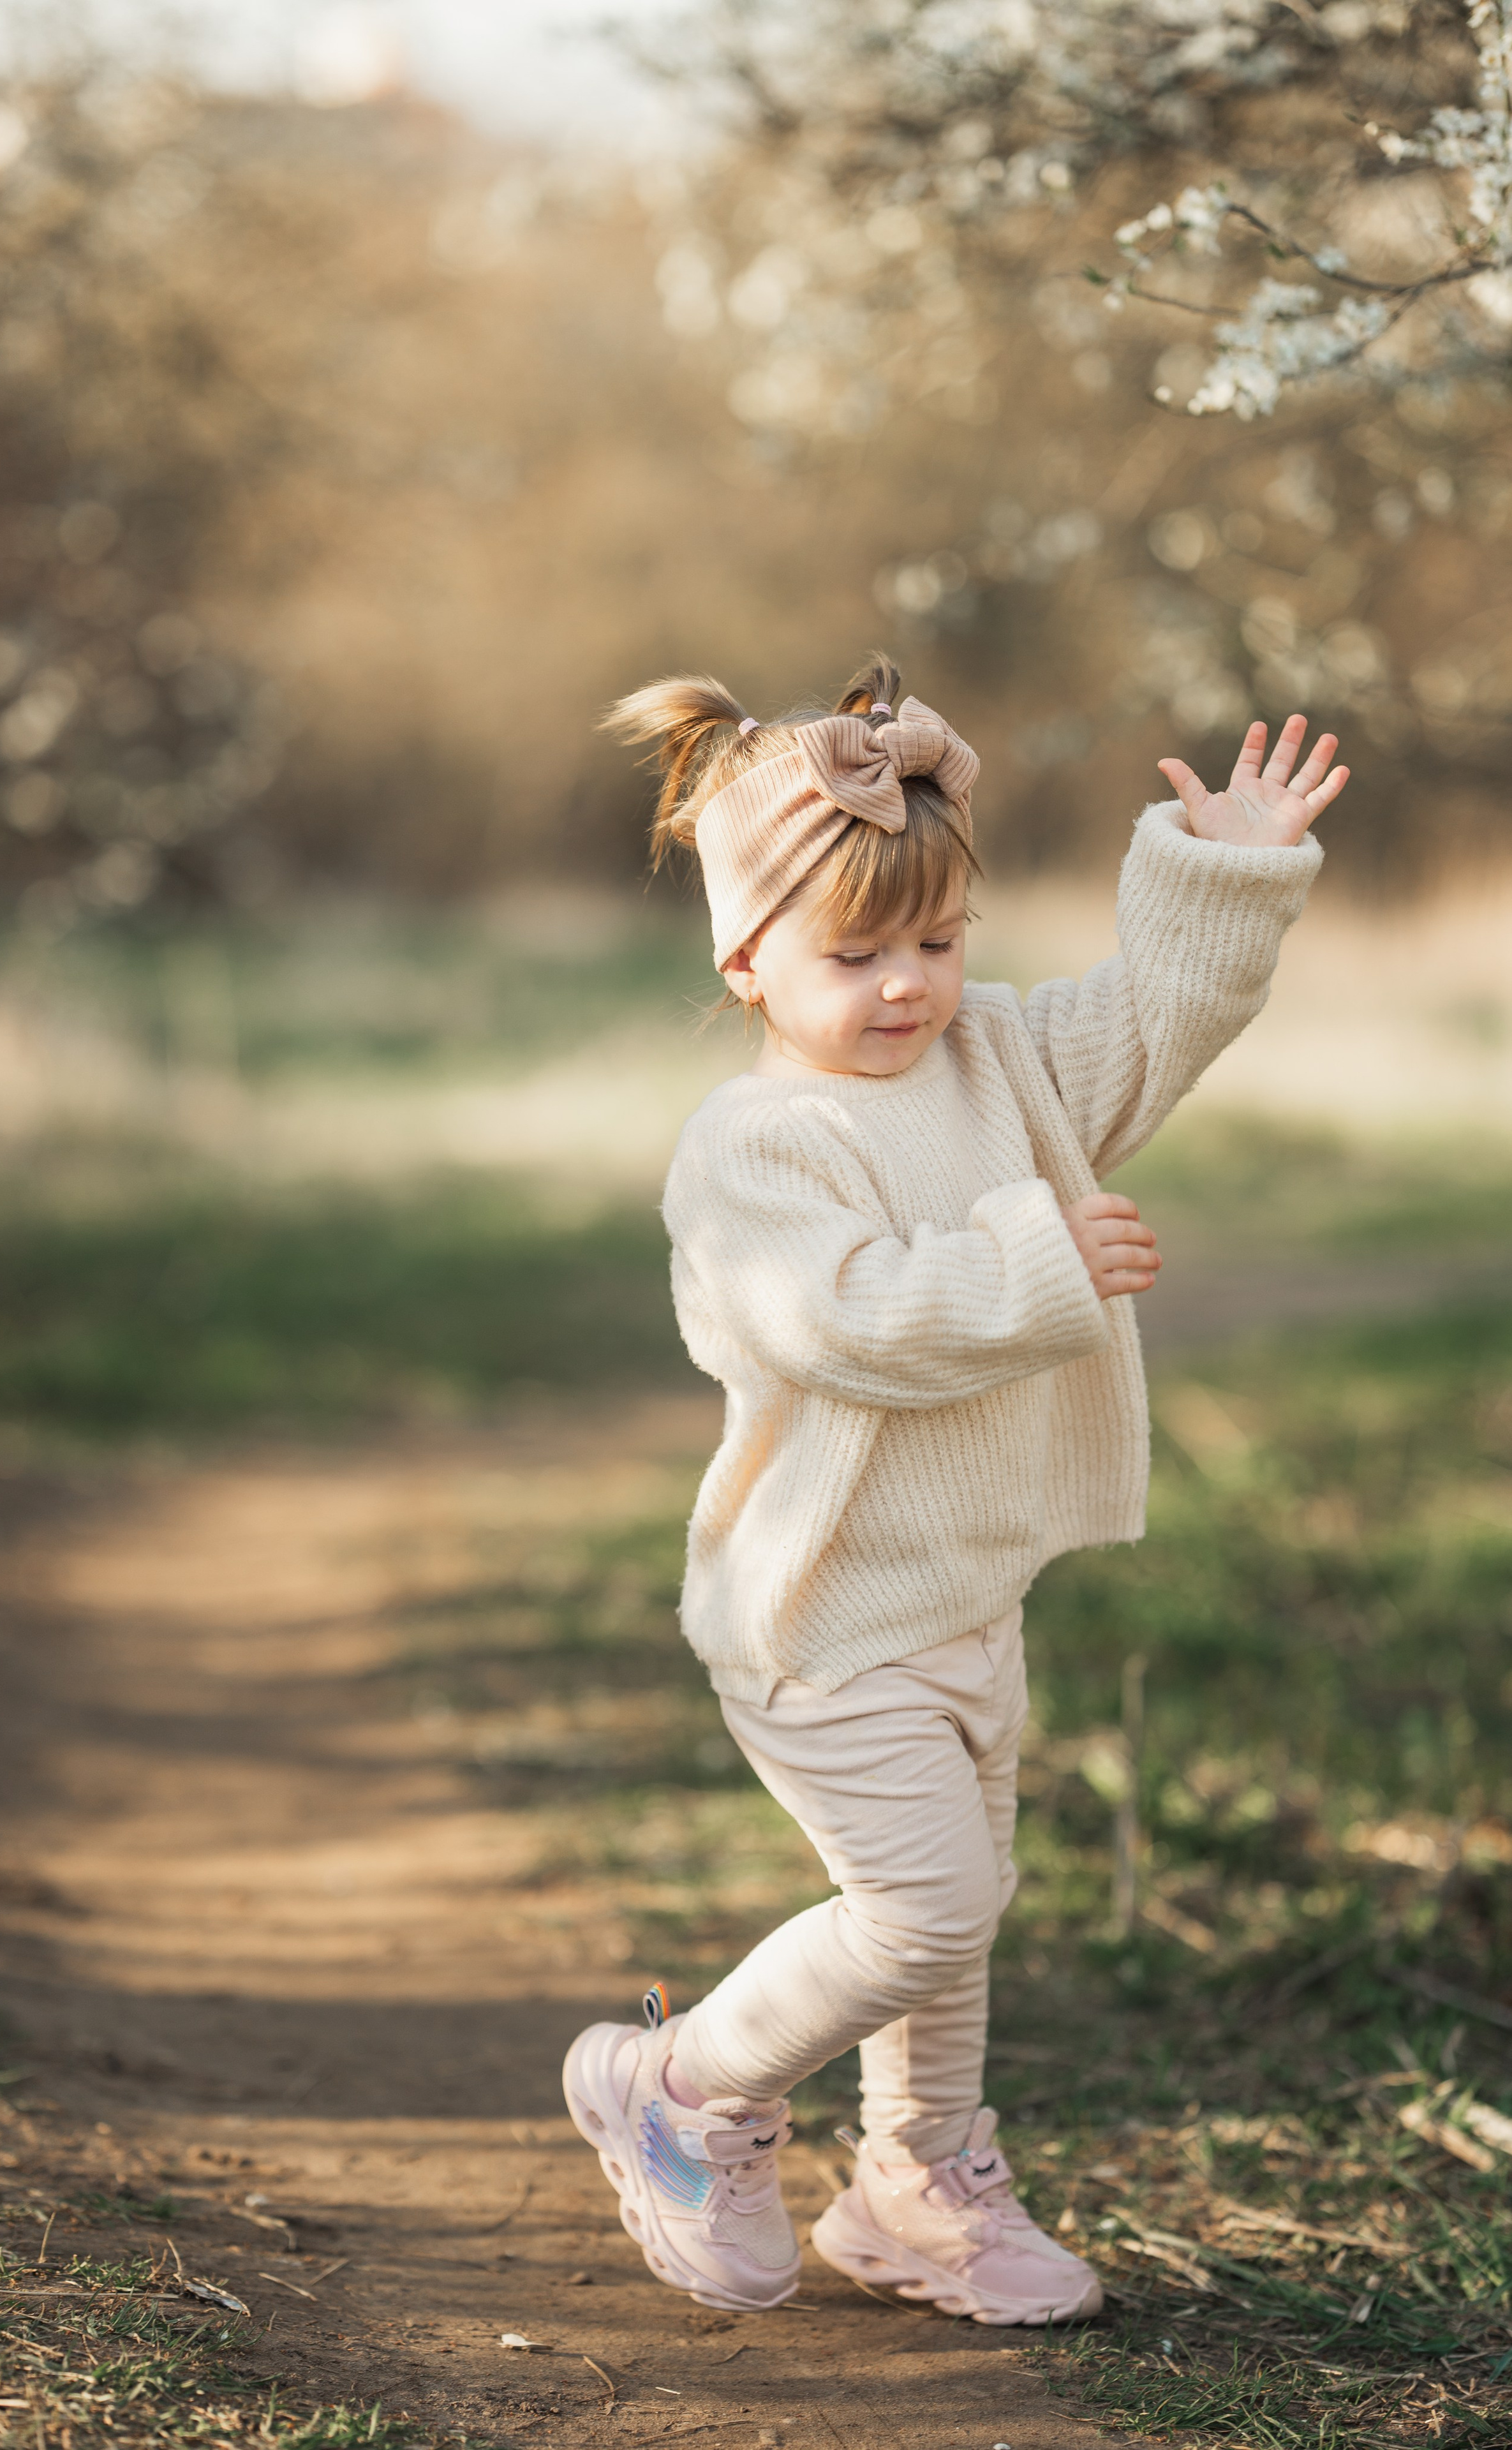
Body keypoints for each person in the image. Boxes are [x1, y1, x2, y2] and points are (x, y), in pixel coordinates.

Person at [561, 655, 1347, 2322]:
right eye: (857, 955)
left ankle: (917, 2185)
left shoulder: (998, 1058)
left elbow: (1150, 1024)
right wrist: (1029, 1259)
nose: (911, 986)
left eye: (939, 939)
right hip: (823, 1614)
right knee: (930, 1907)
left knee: (957, 1933)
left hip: (966, 1596)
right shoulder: (754, 1147)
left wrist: (1224, 872)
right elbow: (832, 1317)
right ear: (750, 958)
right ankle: (683, 2082)